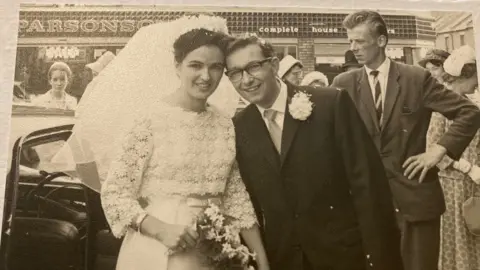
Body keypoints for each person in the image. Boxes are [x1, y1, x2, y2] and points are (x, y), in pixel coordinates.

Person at [64, 15, 268, 270]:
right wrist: (161, 230)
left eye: (215, 67)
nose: (206, 76)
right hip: (160, 247)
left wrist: (260, 258)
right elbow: (116, 194)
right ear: (177, 65)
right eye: (195, 65)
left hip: (218, 247)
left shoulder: (224, 123)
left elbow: (235, 196)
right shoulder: (149, 120)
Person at [226, 34, 402, 270]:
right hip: (284, 260)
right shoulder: (238, 127)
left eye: (253, 67)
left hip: (344, 256)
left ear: (275, 65)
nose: (246, 80)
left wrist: (380, 258)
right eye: (235, 73)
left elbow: (368, 185)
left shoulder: (330, 104)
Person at [331, 10, 480, 270]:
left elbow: (469, 112)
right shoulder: (342, 84)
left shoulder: (415, 78)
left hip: (416, 199)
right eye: (350, 41)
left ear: (381, 41)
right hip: (367, 205)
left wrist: (439, 150)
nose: (353, 48)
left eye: (360, 41)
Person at [427, 45, 480, 270]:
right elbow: (432, 150)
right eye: (475, 77)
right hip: (453, 185)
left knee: (475, 230)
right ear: (463, 76)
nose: (477, 83)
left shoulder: (472, 103)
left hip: (474, 183)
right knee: (458, 235)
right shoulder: (441, 109)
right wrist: (467, 167)